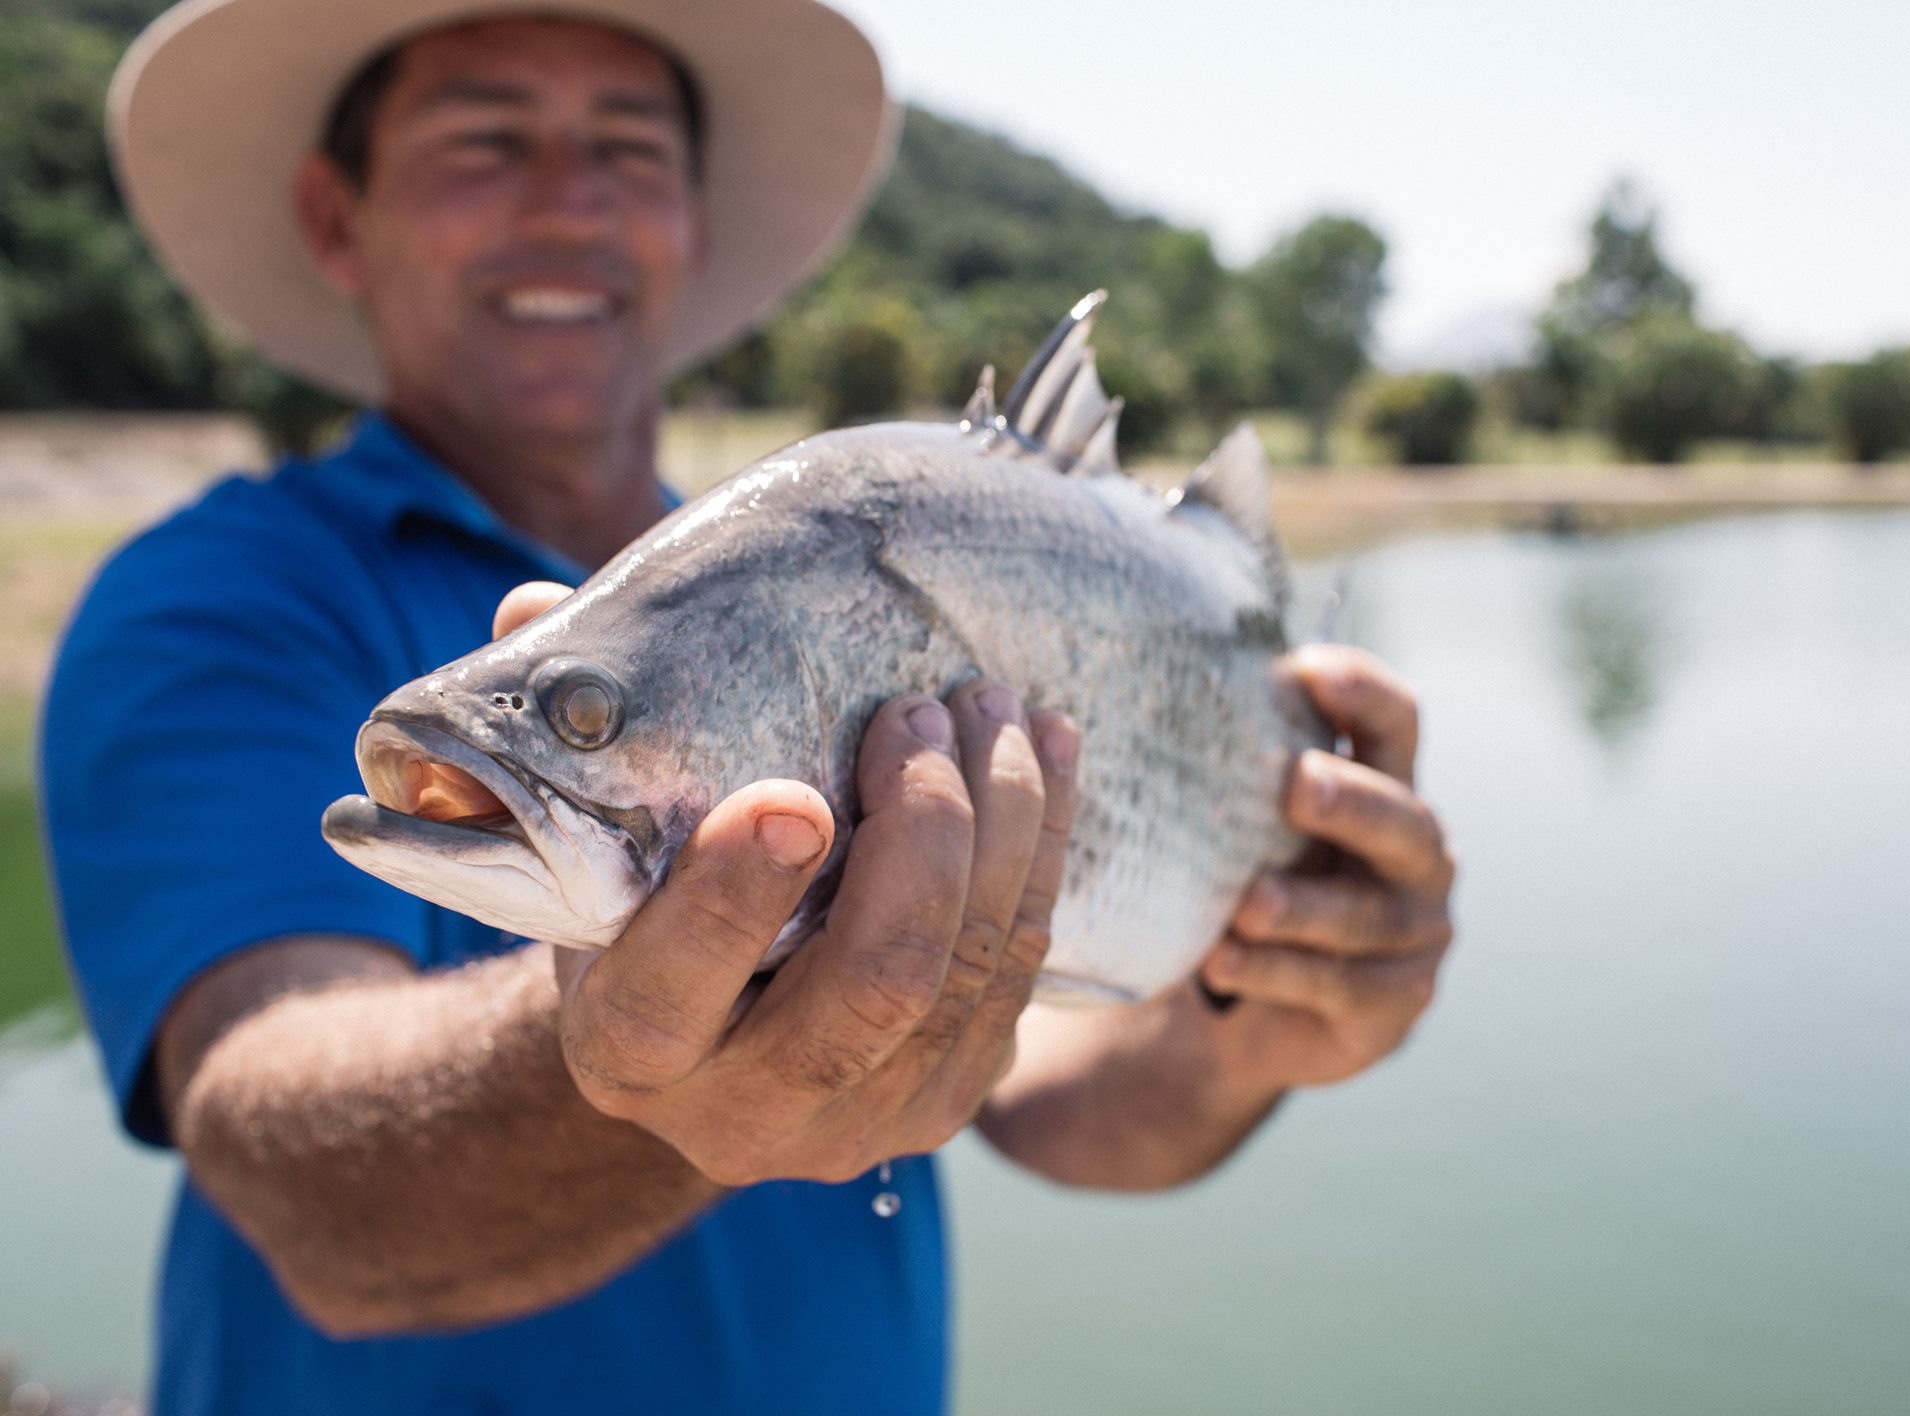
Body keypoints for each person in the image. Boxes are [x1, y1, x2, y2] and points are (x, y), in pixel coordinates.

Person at [39, 0, 1457, 1411]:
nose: (569, 203)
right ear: (336, 217)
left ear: (695, 226)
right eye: (485, 142)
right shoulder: (214, 599)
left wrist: (1260, 1022)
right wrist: (624, 1054)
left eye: (629, 148)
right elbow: (299, 1179)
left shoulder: (772, 568)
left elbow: (1057, 1096)